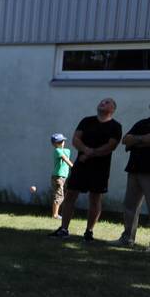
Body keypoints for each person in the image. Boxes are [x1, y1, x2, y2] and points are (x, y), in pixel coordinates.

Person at [50, 98, 123, 241]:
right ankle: (64, 229)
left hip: (100, 168)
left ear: (112, 109)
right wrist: (86, 150)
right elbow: (76, 139)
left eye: (107, 102)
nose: (103, 103)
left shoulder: (115, 126)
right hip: (81, 165)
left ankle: (89, 232)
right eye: (102, 101)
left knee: (95, 198)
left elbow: (111, 146)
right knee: (70, 194)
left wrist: (91, 153)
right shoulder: (86, 121)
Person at [110, 107, 150, 248]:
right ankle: (127, 238)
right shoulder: (142, 123)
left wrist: (136, 141)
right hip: (134, 169)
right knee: (130, 206)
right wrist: (142, 139)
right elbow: (126, 140)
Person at [49, 133, 74, 219]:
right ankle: (55, 215)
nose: (61, 143)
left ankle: (62, 213)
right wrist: (73, 167)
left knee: (64, 195)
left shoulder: (67, 150)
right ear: (54, 144)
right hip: (58, 177)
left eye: (62, 141)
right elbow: (65, 159)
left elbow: (67, 152)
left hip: (64, 177)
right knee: (59, 195)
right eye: (59, 142)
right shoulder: (57, 151)